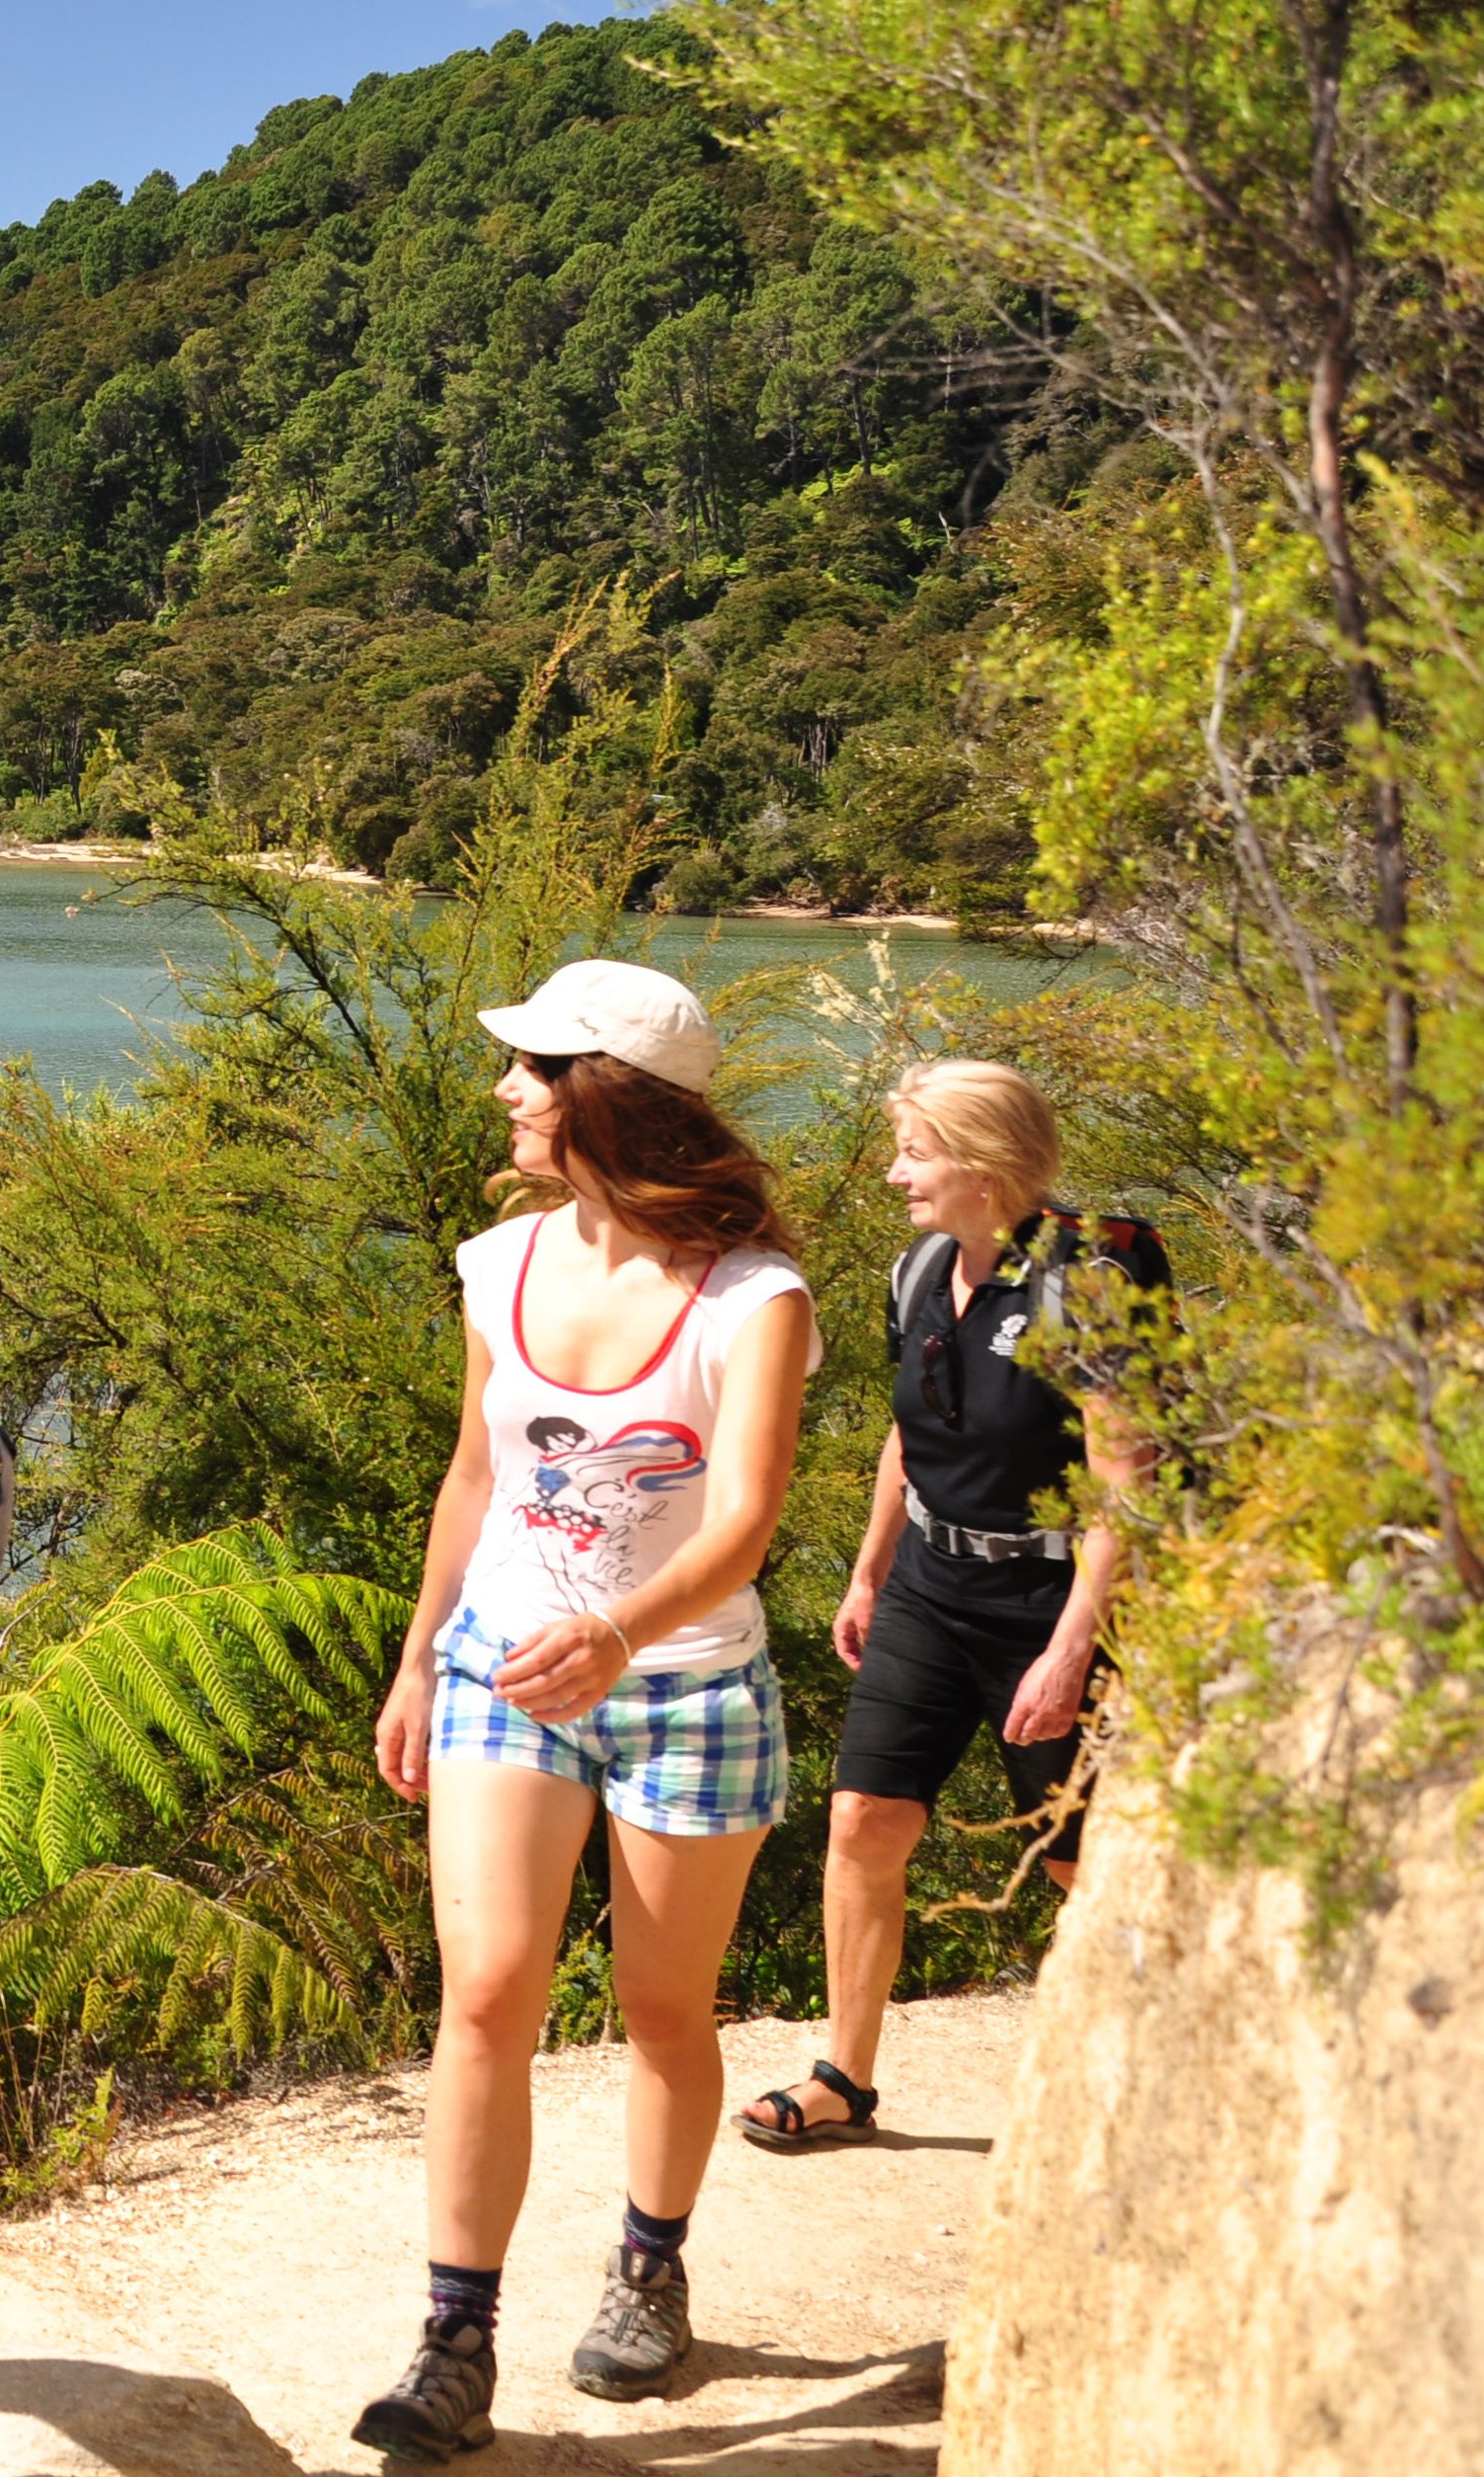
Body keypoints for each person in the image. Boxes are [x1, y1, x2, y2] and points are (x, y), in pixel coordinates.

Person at [356, 959, 820, 2465]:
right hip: (505, 1670)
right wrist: (425, 1654)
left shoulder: (756, 1298)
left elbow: (746, 1520)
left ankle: (648, 2266)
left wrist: (619, 1633)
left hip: (686, 1692)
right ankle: (454, 2340)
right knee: (485, 1989)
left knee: (661, 2011)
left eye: (535, 1068)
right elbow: (476, 1475)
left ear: (607, 1096)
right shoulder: (498, 1264)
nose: (506, 1090)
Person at [735, 1060, 1161, 2154]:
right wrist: (870, 1570)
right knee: (865, 1820)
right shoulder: (921, 1265)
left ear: (981, 1164)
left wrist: (1071, 1650)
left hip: (1056, 1600)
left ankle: (1124, 2089)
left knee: (1076, 1858)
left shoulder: (1092, 1284)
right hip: (931, 1582)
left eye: (915, 1152)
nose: (894, 1173)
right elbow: (910, 1428)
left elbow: (1127, 1477)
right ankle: (843, 2076)